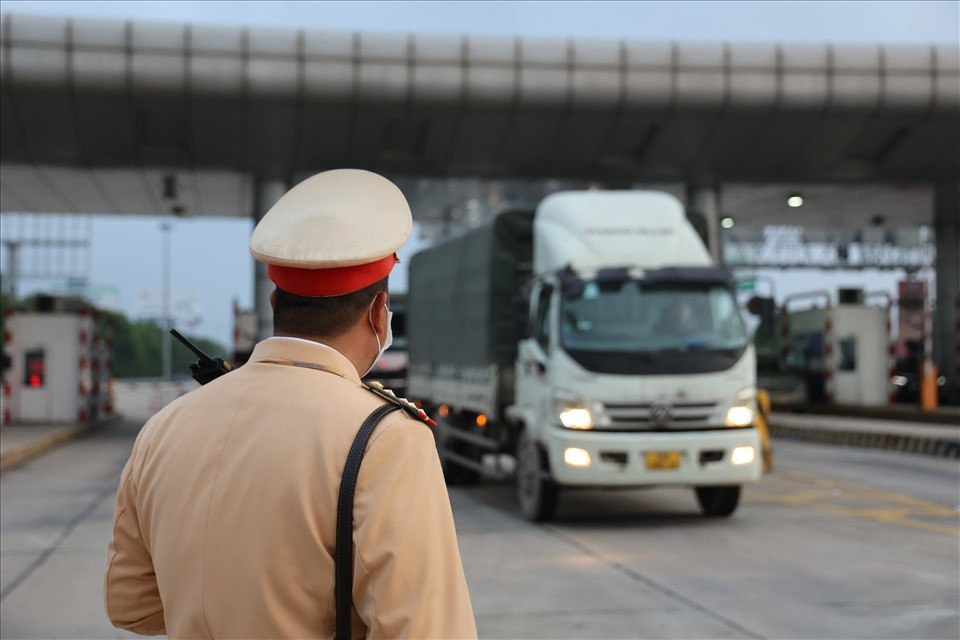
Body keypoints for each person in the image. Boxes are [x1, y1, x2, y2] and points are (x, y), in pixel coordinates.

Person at [104, 169, 477, 639]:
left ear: (276, 297)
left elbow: (131, 607)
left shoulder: (164, 427)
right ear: (378, 312)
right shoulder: (386, 438)